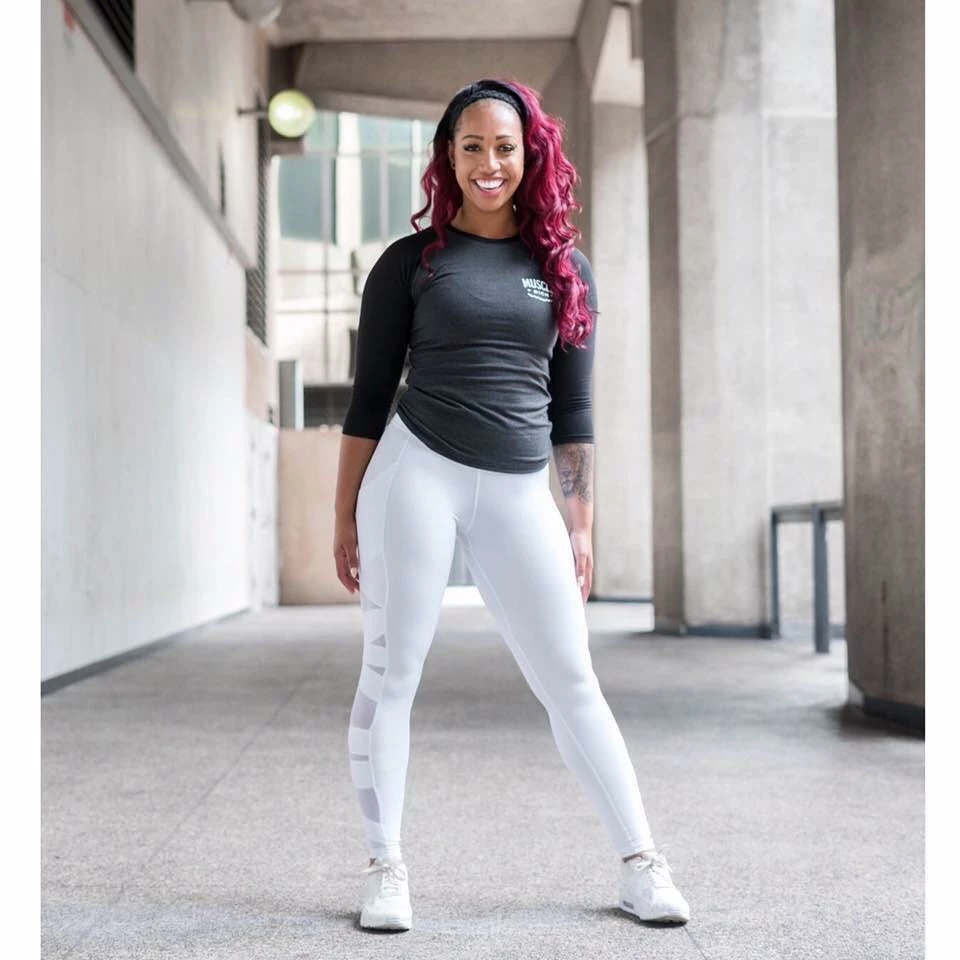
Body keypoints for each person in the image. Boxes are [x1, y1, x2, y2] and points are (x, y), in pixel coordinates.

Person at [333, 78, 690, 932]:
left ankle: (641, 864)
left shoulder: (564, 270)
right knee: (392, 672)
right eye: (472, 147)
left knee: (572, 679)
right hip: (416, 472)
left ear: (531, 157)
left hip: (522, 485)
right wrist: (343, 515)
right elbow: (368, 400)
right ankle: (386, 866)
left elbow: (575, 410)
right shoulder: (409, 264)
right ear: (447, 157)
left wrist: (581, 523)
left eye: (504, 147)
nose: (488, 163)